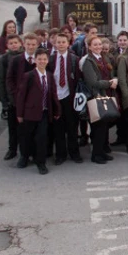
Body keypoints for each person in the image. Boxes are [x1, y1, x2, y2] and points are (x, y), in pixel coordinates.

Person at [16, 48, 60, 175]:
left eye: (44, 59)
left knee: (41, 138)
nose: (42, 61)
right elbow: (21, 96)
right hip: (30, 113)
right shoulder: (28, 76)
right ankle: (24, 157)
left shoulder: (50, 76)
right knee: (27, 137)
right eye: (39, 59)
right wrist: (19, 114)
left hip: (44, 112)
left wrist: (57, 110)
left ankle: (41, 163)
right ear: (35, 60)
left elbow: (53, 95)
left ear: (47, 61)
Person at [82, 36, 119, 164]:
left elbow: (111, 72)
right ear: (89, 47)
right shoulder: (88, 61)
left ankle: (102, 151)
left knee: (104, 126)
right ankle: (96, 154)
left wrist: (114, 79)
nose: (98, 47)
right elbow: (93, 82)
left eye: (99, 44)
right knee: (97, 127)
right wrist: (109, 83)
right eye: (95, 45)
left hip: (106, 94)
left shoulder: (104, 58)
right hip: (96, 96)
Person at [48, 32, 82, 164]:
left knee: (72, 126)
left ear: (68, 44)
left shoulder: (74, 59)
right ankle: (60, 154)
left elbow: (79, 79)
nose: (61, 44)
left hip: (70, 96)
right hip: (56, 97)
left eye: (63, 42)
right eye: (58, 42)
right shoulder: (50, 60)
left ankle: (74, 153)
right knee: (58, 127)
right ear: (55, 44)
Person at [6, 33, 38, 165]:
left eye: (33, 45)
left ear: (37, 45)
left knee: (36, 130)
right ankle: (24, 156)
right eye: (28, 44)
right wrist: (15, 96)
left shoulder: (41, 59)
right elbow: (9, 79)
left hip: (36, 100)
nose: (30, 47)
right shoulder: (16, 60)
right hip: (21, 100)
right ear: (23, 44)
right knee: (22, 130)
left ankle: (36, 155)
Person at [0, 34, 23, 159]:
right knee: (12, 127)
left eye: (15, 42)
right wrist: (4, 100)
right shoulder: (4, 59)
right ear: (7, 46)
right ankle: (12, 149)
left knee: (25, 127)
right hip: (11, 98)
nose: (14, 45)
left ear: (20, 43)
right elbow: (0, 80)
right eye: (11, 43)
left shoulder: (25, 56)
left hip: (25, 98)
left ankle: (25, 150)